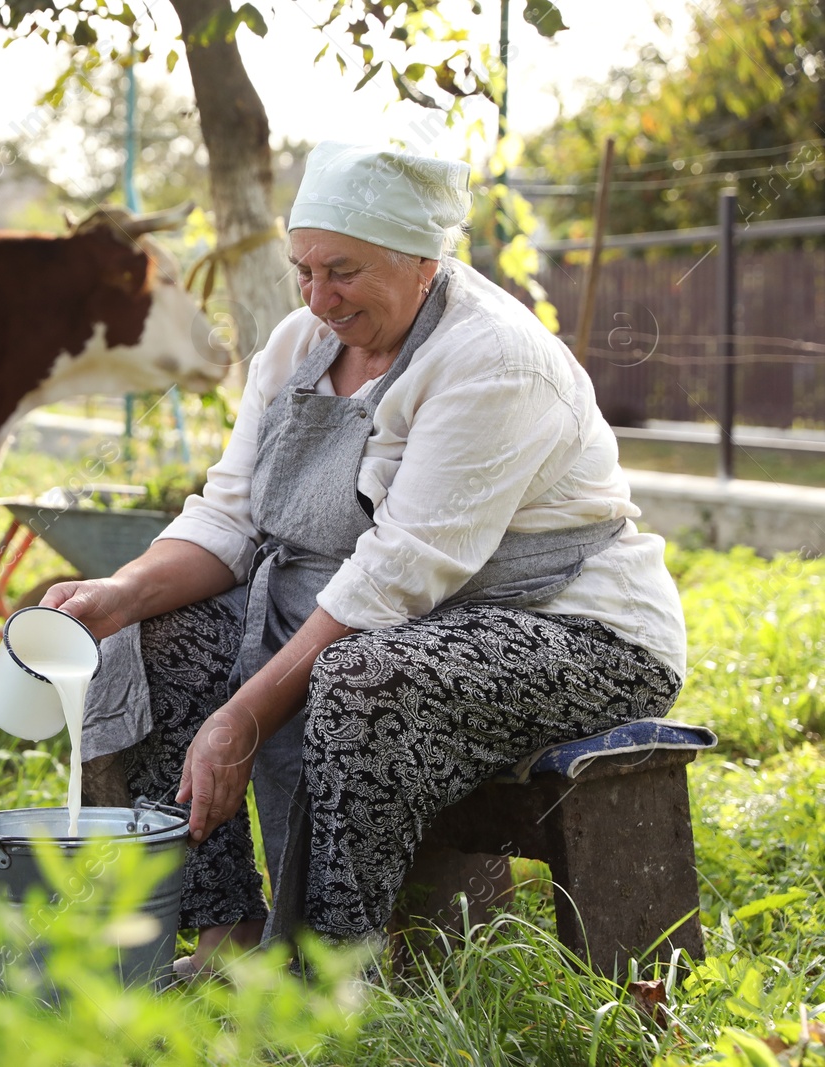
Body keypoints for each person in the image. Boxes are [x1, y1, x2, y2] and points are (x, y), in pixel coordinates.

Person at [41, 141, 687, 975]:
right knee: (159, 637)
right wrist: (121, 594)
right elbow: (231, 513)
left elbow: (397, 573)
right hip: (397, 618)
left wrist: (243, 715)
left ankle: (331, 975)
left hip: (574, 630)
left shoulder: (492, 360)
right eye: (302, 269)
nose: (318, 297)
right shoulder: (296, 346)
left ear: (422, 261)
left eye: (342, 271)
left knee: (361, 678)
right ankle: (225, 943)